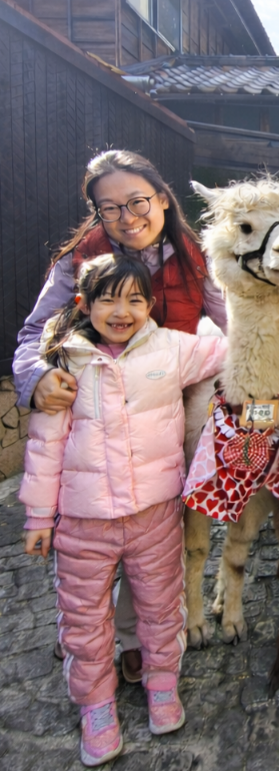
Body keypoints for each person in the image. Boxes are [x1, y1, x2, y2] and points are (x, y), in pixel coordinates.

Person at [12, 149, 229, 685]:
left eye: (137, 201)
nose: (127, 217)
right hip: (91, 421)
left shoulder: (196, 257)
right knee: (91, 546)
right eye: (110, 209)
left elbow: (234, 331)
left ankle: (136, 640)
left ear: (161, 197)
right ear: (96, 214)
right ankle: (88, 641)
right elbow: (30, 337)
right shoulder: (78, 263)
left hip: (161, 419)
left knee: (153, 545)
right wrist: (37, 378)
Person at [19, 253, 228, 767]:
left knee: (160, 608)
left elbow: (235, 348)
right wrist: (39, 519)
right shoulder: (65, 366)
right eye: (108, 297)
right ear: (83, 303)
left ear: (150, 304)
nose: (122, 310)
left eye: (135, 298)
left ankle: (161, 683)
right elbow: (45, 449)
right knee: (85, 620)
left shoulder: (171, 349)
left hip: (154, 516)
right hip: (83, 524)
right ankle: (95, 705)